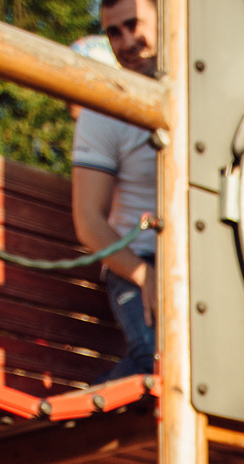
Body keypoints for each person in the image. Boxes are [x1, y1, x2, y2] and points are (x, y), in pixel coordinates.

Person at [71, 0, 161, 380]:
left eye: (133, 25)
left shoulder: (204, 93)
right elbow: (89, 222)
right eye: (113, 32)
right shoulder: (102, 112)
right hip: (138, 259)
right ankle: (80, 414)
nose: (126, 42)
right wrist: (145, 275)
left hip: (203, 258)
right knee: (158, 361)